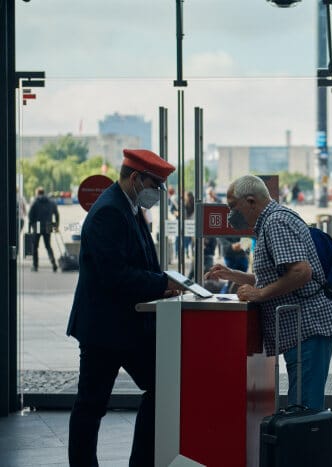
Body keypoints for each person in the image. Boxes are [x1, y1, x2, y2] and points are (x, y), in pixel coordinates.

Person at [66, 148, 183, 466]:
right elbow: (114, 275)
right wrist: (162, 284)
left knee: (162, 388)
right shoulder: (109, 211)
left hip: (128, 327)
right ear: (135, 178)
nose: (157, 194)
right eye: (155, 185)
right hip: (104, 329)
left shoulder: (128, 207)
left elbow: (142, 261)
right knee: (91, 405)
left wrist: (165, 282)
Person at [205, 175, 332, 410]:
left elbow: (301, 272)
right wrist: (233, 275)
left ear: (250, 201)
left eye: (232, 207)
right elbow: (278, 277)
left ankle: (305, 448)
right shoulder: (273, 220)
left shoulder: (275, 223)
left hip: (307, 328)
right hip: (303, 330)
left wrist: (259, 294)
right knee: (302, 408)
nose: (230, 214)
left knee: (304, 412)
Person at [27, 186, 60, 272]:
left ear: (37, 193)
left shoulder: (35, 202)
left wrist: (30, 227)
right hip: (48, 225)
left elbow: (30, 216)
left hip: (37, 225)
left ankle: (35, 266)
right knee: (48, 245)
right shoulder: (51, 202)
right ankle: (53, 263)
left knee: (35, 246)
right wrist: (56, 226)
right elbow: (56, 214)